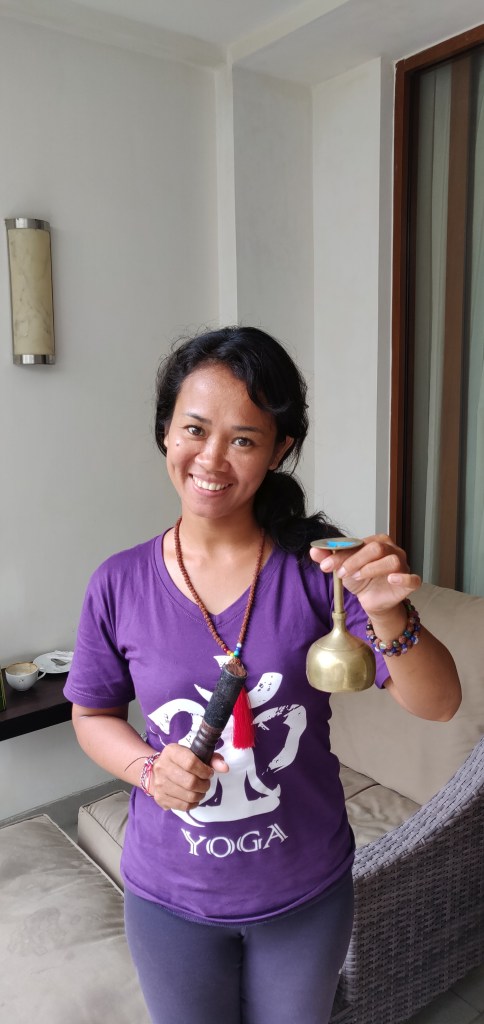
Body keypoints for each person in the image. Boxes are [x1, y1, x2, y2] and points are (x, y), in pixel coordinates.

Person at [64, 325, 461, 1024]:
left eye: (244, 439)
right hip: (170, 897)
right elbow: (92, 714)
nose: (212, 458)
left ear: (279, 450)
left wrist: (388, 613)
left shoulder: (321, 574)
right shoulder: (118, 583)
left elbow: (439, 702)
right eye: (194, 429)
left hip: (305, 892)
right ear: (165, 432)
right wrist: (149, 770)